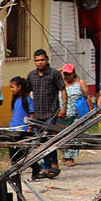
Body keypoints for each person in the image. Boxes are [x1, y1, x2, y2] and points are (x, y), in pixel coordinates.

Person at [23, 48, 63, 179]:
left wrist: (63, 108)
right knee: (42, 140)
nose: (40, 62)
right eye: (37, 60)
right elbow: (27, 94)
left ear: (46, 60)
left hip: (52, 112)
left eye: (42, 60)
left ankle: (50, 166)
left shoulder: (54, 74)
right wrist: (30, 112)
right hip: (38, 114)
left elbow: (63, 90)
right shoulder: (31, 76)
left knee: (48, 138)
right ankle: (50, 166)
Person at [58, 63, 91, 165]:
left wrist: (91, 111)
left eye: (68, 73)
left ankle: (70, 158)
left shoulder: (80, 83)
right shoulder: (61, 84)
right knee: (60, 136)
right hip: (63, 114)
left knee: (74, 136)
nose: (67, 76)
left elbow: (87, 97)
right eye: (65, 74)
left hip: (77, 115)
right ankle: (65, 154)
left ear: (73, 73)